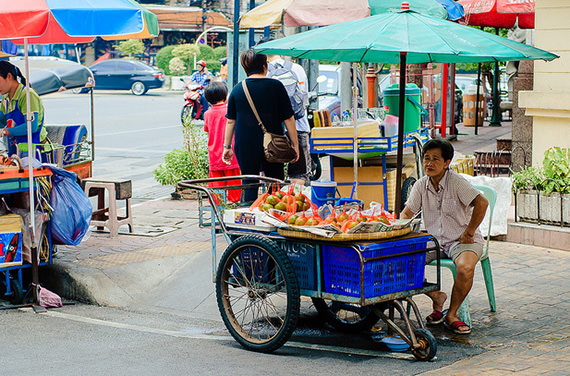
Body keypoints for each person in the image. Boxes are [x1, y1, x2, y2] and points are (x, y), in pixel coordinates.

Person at [400, 139, 488, 335]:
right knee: (401, 261)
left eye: (435, 159)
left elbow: (482, 202)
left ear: (447, 163)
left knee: (465, 268)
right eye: (426, 159)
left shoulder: (457, 182)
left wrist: (470, 232)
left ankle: (452, 314)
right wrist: (407, 232)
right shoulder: (421, 185)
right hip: (434, 241)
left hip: (461, 240)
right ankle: (435, 297)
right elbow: (406, 214)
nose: (429, 164)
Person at [222, 49, 299, 202]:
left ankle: (249, 215)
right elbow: (289, 118)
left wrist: (227, 147)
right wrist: (295, 145)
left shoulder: (237, 90)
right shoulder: (276, 86)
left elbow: (231, 121)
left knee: (249, 182)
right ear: (265, 66)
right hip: (273, 143)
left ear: (245, 68)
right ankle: (273, 216)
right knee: (275, 182)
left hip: (245, 144)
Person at [259, 37, 311, 185]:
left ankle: (272, 204)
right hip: (299, 127)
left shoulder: (263, 72)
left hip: (272, 132)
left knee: (272, 177)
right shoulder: (297, 69)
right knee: (300, 175)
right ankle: (297, 205)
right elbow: (304, 99)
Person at [0, 61, 50, 159]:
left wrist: (5, 131)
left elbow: (31, 126)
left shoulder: (27, 95)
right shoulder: (6, 99)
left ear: (9, 76)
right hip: (17, 151)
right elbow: (1, 120)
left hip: (37, 153)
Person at [203, 81, 241, 203]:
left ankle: (217, 212)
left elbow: (209, 133)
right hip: (231, 154)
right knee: (235, 187)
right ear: (225, 95)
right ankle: (233, 210)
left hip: (214, 155)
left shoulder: (207, 114)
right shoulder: (230, 110)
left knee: (216, 189)